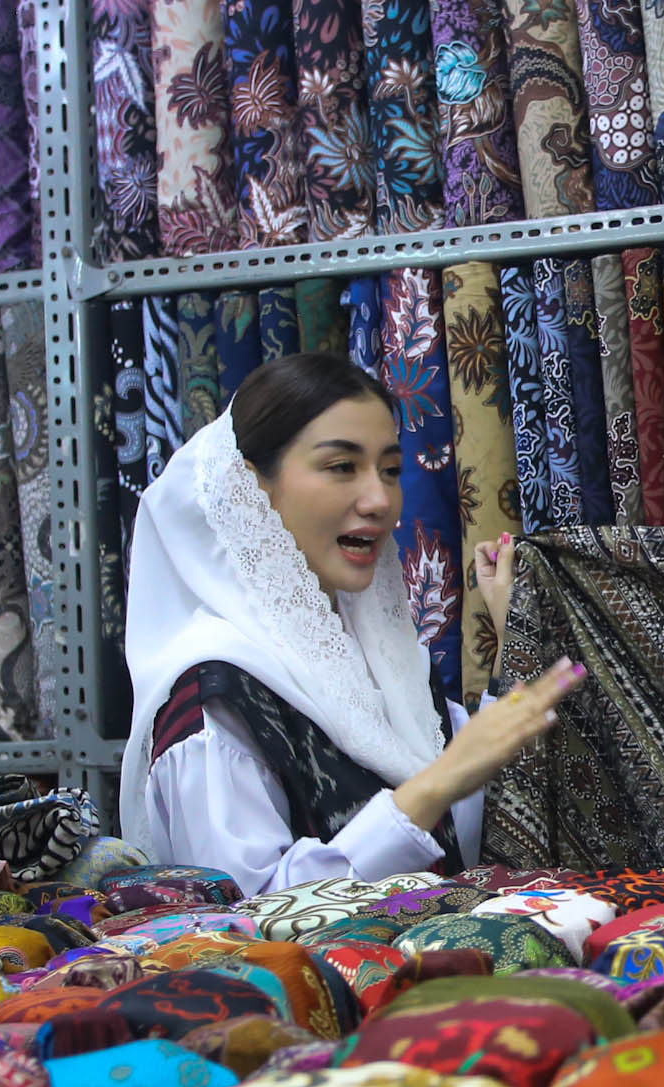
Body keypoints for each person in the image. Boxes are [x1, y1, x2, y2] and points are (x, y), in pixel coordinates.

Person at [122, 352, 585, 889]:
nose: (380, 500)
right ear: (249, 487)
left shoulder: (388, 669)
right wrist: (435, 785)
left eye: (390, 470)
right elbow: (244, 917)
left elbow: (476, 834)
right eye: (342, 467)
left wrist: (516, 640)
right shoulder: (215, 696)